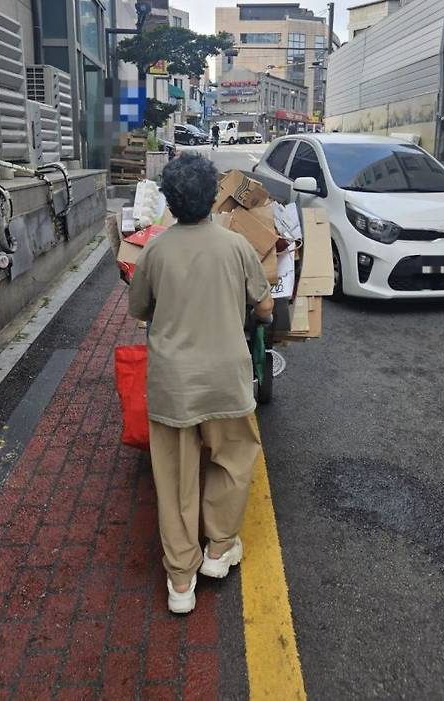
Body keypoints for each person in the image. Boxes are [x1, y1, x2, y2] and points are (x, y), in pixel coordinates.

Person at [128, 154, 273, 615]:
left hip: (173, 384)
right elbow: (265, 309)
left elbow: (140, 311)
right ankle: (218, 549)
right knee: (233, 459)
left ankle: (180, 581)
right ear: (212, 197)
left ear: (170, 201)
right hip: (226, 379)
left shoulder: (154, 251)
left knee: (173, 478)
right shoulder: (236, 247)